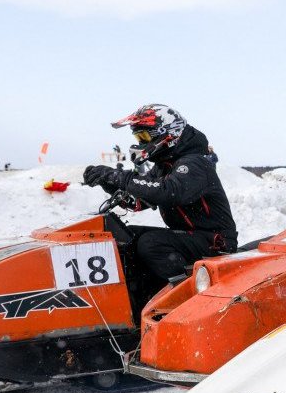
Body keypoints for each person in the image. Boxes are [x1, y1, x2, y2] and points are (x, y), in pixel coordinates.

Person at [82, 104, 237, 298]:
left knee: (151, 243)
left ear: (168, 133)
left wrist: (122, 177)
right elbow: (142, 199)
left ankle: (186, 297)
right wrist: (110, 184)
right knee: (126, 236)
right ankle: (140, 296)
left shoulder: (195, 163)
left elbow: (168, 191)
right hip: (190, 236)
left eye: (144, 137)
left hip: (216, 241)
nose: (141, 143)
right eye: (138, 138)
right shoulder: (164, 165)